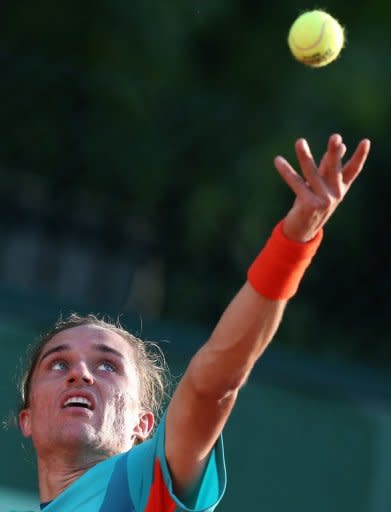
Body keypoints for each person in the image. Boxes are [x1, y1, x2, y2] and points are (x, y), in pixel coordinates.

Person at [12, 133, 370, 512]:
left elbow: (210, 385)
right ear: (27, 418)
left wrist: (293, 245)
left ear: (144, 425)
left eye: (107, 365)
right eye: (58, 363)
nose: (80, 373)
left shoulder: (142, 480)